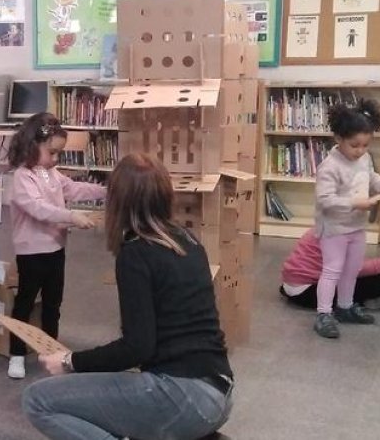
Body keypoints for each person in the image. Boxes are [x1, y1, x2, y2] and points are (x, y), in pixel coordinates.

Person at [22, 153, 233, 440]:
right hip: (219, 389)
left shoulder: (136, 254)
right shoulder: (187, 240)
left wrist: (70, 362)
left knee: (38, 400)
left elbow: (137, 347)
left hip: (183, 396)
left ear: (117, 202)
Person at [6, 112, 104, 379]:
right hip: (31, 253)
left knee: (53, 304)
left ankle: (52, 353)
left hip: (56, 250)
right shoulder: (22, 178)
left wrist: (105, 190)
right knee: (25, 303)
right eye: (53, 152)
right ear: (32, 145)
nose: (56, 159)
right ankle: (16, 353)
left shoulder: (51, 173)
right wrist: (72, 217)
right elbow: (40, 209)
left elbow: (73, 189)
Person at [312, 99, 380, 339]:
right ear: (339, 139)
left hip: (356, 226)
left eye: (366, 145)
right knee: (332, 270)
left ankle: (345, 307)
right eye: (355, 145)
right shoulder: (330, 166)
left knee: (352, 269)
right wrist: (356, 203)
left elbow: (371, 177)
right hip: (334, 228)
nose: (361, 150)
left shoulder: (363, 159)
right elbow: (325, 200)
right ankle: (323, 314)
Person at [280, 228, 380, 311]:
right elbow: (352, 269)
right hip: (307, 291)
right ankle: (365, 303)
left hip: (295, 286)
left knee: (375, 277)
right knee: (377, 282)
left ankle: (357, 302)